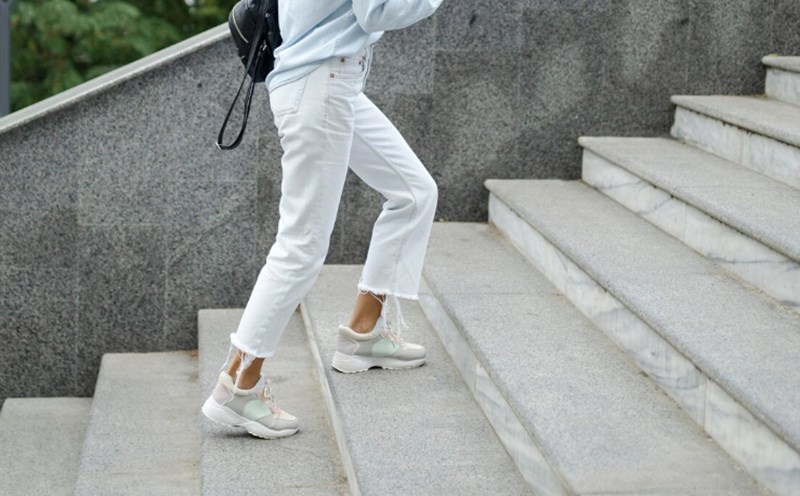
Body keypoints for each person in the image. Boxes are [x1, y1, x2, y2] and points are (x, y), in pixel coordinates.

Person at [201, 0, 444, 439]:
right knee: (301, 247)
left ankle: (363, 334)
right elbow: (374, 12)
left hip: (329, 80)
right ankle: (238, 386)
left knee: (414, 193)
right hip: (320, 82)